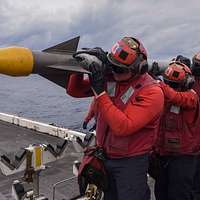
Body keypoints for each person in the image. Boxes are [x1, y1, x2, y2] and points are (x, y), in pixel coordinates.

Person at [67, 36, 164, 200]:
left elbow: (123, 126)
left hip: (131, 163)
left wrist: (100, 92)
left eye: (120, 69)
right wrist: (79, 69)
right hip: (105, 157)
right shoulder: (112, 77)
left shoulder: (152, 92)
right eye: (113, 67)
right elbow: (75, 91)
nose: (115, 72)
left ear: (138, 68)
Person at [154, 61, 200, 200]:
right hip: (163, 154)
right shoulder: (165, 96)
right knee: (161, 191)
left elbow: (176, 97)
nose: (171, 87)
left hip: (184, 156)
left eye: (174, 84)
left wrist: (158, 82)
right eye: (169, 83)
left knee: (179, 194)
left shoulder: (191, 97)